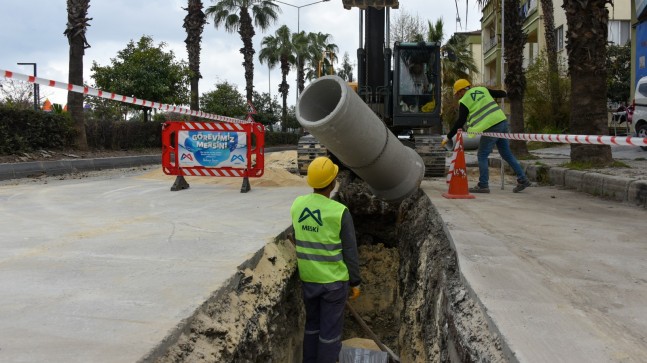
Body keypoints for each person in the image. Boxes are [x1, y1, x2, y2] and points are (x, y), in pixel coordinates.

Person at [290, 156, 362, 363]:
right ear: (332, 182)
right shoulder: (339, 212)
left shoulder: (298, 205)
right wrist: (355, 281)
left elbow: (299, 236)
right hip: (333, 284)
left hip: (309, 280)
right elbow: (350, 251)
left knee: (312, 326)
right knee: (330, 333)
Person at [443, 79, 531, 193]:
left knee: (482, 155)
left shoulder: (464, 101)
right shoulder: (482, 89)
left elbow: (460, 122)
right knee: (506, 153)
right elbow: (502, 94)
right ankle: (523, 179)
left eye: (458, 93)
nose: (459, 96)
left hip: (491, 126)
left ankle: (483, 185)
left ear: (461, 91)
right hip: (502, 122)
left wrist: (449, 136)